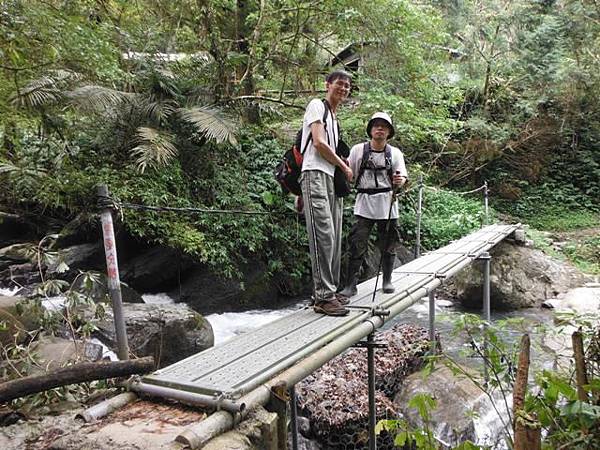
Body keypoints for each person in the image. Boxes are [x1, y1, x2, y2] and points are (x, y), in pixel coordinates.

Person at [297, 70, 353, 316]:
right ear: (327, 85)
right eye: (340, 84)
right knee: (324, 235)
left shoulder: (334, 117)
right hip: (315, 174)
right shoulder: (316, 106)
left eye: (347, 86)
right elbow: (318, 143)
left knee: (335, 236)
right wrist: (343, 165)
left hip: (329, 179)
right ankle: (322, 297)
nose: (344, 88)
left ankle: (330, 290)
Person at [339, 112, 408, 298]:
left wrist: (400, 181)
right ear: (370, 129)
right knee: (357, 243)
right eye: (376, 125)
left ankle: (387, 280)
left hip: (388, 203)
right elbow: (349, 174)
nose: (379, 129)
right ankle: (350, 285)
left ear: (389, 132)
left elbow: (402, 178)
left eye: (384, 126)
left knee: (389, 244)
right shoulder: (358, 150)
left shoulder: (395, 153)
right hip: (364, 203)